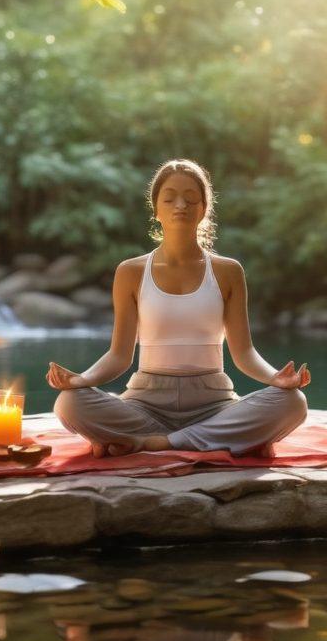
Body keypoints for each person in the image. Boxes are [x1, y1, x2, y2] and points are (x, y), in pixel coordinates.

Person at [48, 158, 311, 458]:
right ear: (156, 209)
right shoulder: (131, 271)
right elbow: (119, 356)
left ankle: (157, 442)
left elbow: (244, 353)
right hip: (146, 404)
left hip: (214, 405)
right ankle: (213, 440)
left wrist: (277, 378)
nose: (180, 205)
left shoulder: (228, 271)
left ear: (204, 208)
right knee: (69, 403)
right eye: (170, 197)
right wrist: (82, 381)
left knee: (293, 402)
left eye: (191, 198)